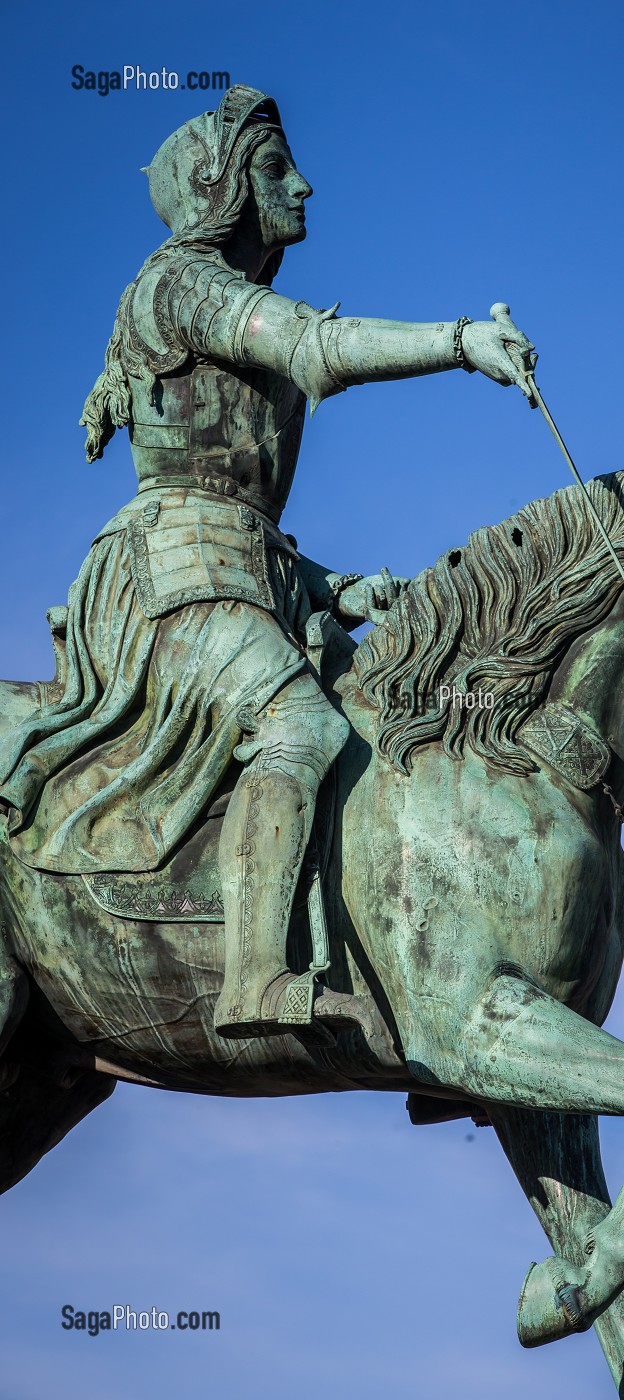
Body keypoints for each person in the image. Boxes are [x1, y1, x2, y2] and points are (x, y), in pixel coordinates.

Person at [0, 85, 535, 1039]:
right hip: (169, 573)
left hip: (247, 571)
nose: (305, 186)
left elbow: (245, 513)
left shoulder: (226, 294)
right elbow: (315, 348)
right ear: (221, 187)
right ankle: (252, 979)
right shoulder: (184, 285)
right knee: (302, 727)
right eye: (277, 169)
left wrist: (344, 587)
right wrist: (459, 343)